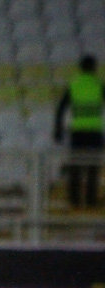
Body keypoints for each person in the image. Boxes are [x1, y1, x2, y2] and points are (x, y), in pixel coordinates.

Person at [54, 54, 104, 208]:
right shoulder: (99, 85)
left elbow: (61, 108)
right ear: (94, 68)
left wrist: (58, 129)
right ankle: (91, 200)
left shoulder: (74, 85)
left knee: (75, 166)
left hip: (78, 131)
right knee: (92, 167)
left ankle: (74, 200)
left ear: (80, 68)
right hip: (95, 131)